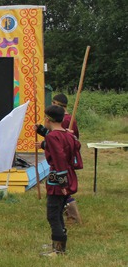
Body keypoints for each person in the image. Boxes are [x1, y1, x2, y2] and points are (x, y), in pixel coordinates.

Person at [35, 105, 82, 257]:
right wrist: (42, 131)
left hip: (58, 180)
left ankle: (59, 250)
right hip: (68, 175)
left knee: (53, 214)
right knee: (58, 212)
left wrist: (62, 183)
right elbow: (61, 142)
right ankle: (57, 244)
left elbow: (59, 158)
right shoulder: (68, 134)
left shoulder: (52, 137)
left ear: (48, 119)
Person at [51, 93, 82, 224]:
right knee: (60, 187)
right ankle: (66, 214)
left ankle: (73, 217)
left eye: (53, 103)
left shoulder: (66, 119)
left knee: (62, 187)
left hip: (62, 157)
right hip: (62, 155)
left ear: (57, 105)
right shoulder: (69, 119)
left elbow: (73, 138)